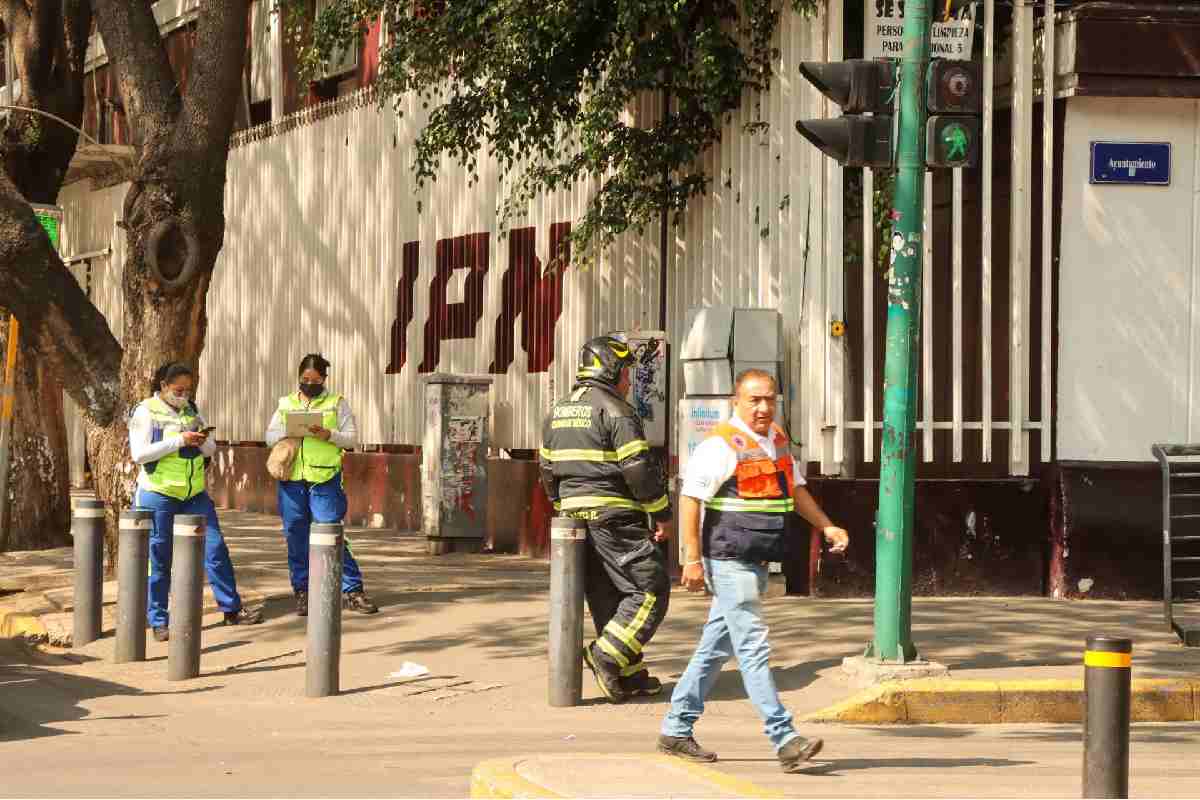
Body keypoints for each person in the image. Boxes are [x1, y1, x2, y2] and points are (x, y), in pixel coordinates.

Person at [658, 368, 850, 772]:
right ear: (736, 401)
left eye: (769, 399)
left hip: (757, 558)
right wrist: (690, 560)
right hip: (729, 559)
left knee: (714, 649)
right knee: (752, 648)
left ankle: (676, 729)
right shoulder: (721, 445)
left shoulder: (776, 440)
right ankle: (784, 739)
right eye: (754, 400)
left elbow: (795, 491)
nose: (763, 407)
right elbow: (691, 499)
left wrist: (826, 525)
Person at [538, 334, 673, 704]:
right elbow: (638, 469)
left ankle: (628, 674)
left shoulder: (558, 410)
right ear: (610, 368)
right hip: (615, 517)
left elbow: (546, 470)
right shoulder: (617, 410)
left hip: (572, 520)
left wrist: (564, 508)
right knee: (650, 590)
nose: (628, 380)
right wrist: (661, 513)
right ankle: (606, 657)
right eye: (626, 371)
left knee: (608, 596)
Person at [130, 362, 263, 642]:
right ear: (163, 386)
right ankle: (158, 619)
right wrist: (179, 440)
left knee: (215, 549)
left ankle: (231, 609)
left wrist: (201, 440)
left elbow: (211, 448)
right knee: (159, 557)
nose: (184, 395)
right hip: (159, 493)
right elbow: (140, 454)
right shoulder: (146, 412)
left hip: (194, 495)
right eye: (178, 390)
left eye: (188, 390)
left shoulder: (192, 410)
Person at [265, 353, 378, 616]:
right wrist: (287, 431)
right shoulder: (286, 403)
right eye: (305, 379)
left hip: (325, 479)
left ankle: (352, 590)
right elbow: (269, 437)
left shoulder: (336, 403)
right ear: (298, 377)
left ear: (324, 379)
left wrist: (329, 435)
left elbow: (350, 439)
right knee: (296, 534)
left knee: (330, 534)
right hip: (292, 480)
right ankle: (303, 591)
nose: (309, 384)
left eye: (315, 380)